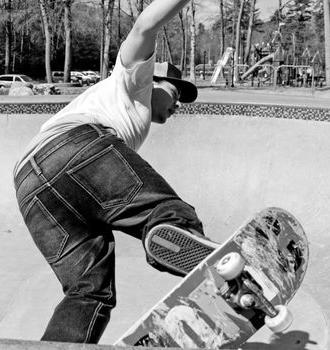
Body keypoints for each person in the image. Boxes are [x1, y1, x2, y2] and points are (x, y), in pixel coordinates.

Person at [13, 0, 218, 344]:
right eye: (174, 91)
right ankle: (180, 240)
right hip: (76, 147)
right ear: (153, 78)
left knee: (88, 292)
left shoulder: (119, 109)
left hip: (29, 186)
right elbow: (144, 27)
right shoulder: (133, 80)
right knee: (164, 211)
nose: (178, 104)